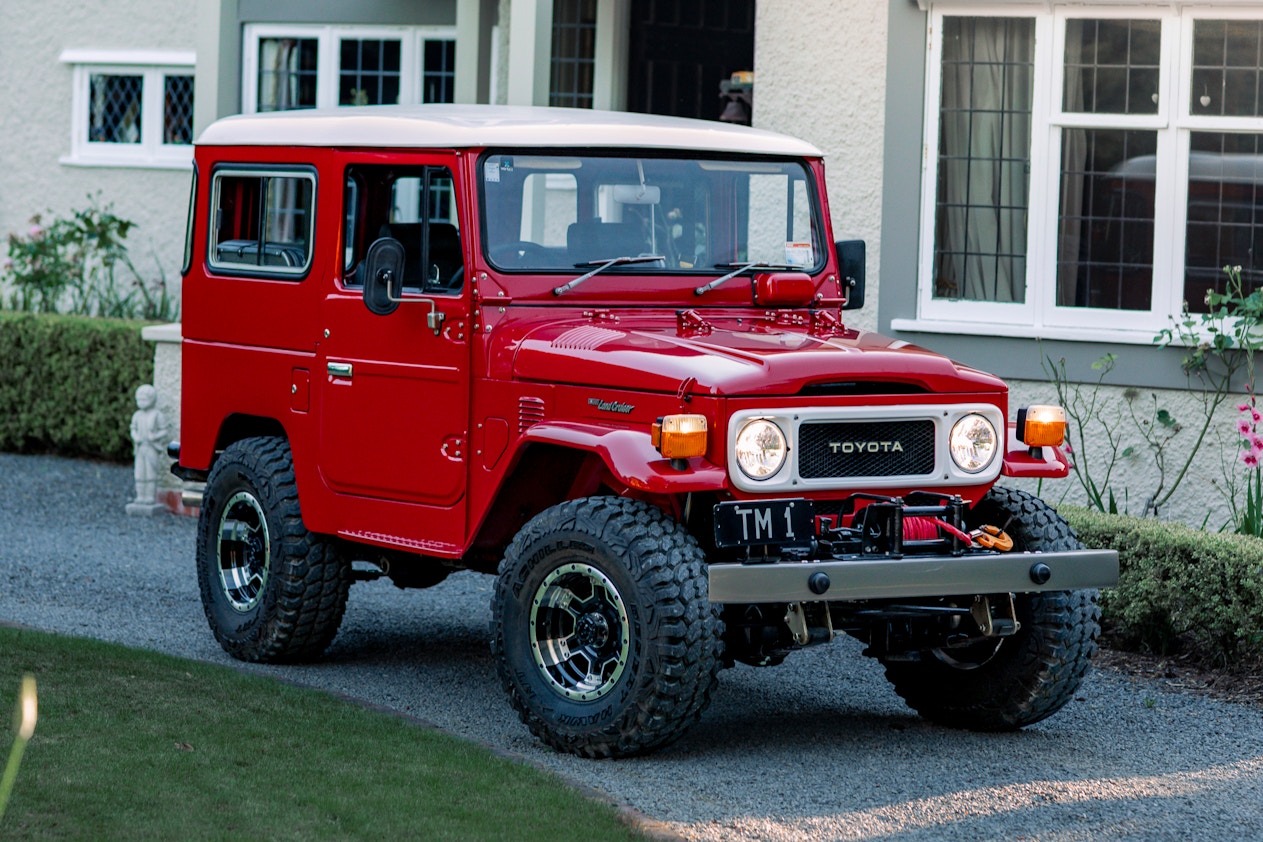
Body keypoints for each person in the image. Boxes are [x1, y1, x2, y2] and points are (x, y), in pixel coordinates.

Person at [130, 385, 168, 504]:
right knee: (139, 473)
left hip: (151, 447)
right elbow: (133, 429)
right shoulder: (137, 415)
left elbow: (164, 430)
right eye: (139, 400)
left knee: (151, 472)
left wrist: (155, 437)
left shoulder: (157, 415)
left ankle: (150, 497)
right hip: (140, 448)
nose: (141, 402)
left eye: (144, 399)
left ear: (152, 399)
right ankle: (141, 496)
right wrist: (136, 437)